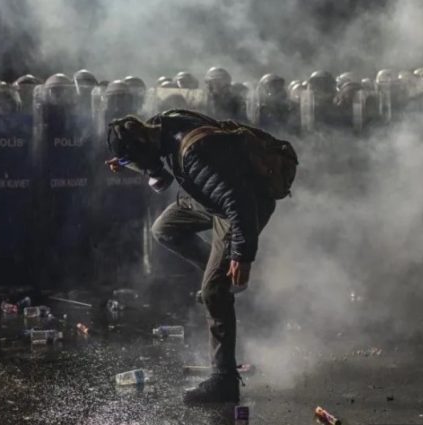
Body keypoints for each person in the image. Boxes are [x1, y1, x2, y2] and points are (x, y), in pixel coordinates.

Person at [104, 109, 296, 404]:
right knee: (164, 229)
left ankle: (224, 380)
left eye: (139, 157)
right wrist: (131, 163)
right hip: (213, 196)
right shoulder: (160, 125)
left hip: (242, 206)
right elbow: (161, 174)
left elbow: (239, 203)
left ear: (143, 145)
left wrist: (242, 255)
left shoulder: (195, 154)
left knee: (213, 292)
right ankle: (219, 276)